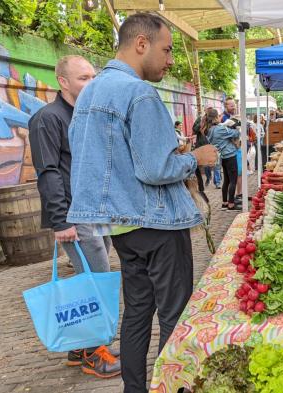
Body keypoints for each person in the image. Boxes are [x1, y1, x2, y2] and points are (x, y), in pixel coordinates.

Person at [67, 14, 217, 393]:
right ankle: (173, 387)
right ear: (141, 44)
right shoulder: (139, 93)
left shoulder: (89, 94)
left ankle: (135, 388)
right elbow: (156, 168)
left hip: (122, 227)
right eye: (166, 50)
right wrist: (195, 158)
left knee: (136, 313)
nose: (170, 60)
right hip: (156, 223)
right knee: (173, 314)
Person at [28, 55, 121, 379]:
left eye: (93, 76)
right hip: (73, 215)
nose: (91, 83)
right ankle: (94, 354)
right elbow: (48, 172)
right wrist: (60, 221)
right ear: (63, 82)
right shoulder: (47, 118)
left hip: (96, 211)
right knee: (95, 281)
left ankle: (80, 346)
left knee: (90, 279)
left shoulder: (84, 116)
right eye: (83, 78)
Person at [209, 117, 241, 210]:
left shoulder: (211, 130)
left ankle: (225, 202)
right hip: (230, 155)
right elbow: (236, 133)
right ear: (215, 118)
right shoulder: (221, 129)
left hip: (222, 156)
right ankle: (231, 204)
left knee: (226, 180)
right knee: (233, 180)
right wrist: (235, 127)